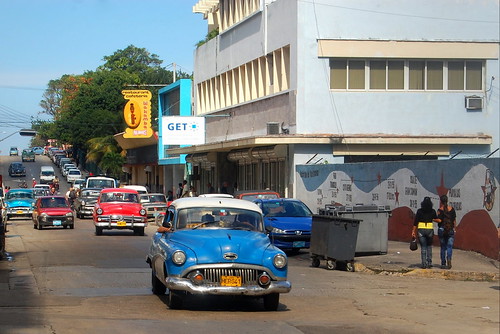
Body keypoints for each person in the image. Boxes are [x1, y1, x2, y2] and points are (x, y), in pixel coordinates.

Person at [412, 197, 438, 269]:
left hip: (421, 229)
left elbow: (415, 222)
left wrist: (413, 231)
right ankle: (429, 262)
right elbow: (436, 219)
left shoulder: (419, 211)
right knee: (429, 246)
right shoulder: (432, 211)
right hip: (429, 229)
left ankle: (424, 263)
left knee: (423, 247)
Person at [436, 195, 457, 269]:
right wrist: (454, 229)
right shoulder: (452, 209)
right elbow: (454, 220)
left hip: (442, 229)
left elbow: (439, 220)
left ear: (441, 201)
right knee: (449, 246)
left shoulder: (439, 210)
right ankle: (449, 258)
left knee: (443, 247)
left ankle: (443, 263)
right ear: (447, 200)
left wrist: (433, 219)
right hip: (450, 229)